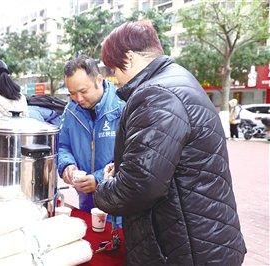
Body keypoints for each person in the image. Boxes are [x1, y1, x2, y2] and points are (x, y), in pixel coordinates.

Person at [93, 20, 246, 265]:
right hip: (204, 239)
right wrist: (124, 165)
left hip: (186, 248)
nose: (114, 78)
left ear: (129, 58)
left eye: (113, 69)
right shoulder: (178, 80)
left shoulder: (157, 94)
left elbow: (138, 186)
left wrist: (105, 186)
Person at [58, 55, 125, 212]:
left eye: (83, 91)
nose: (78, 99)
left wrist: (99, 179)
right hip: (86, 203)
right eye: (72, 93)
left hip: (118, 205)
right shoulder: (70, 110)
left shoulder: (122, 106)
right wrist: (67, 165)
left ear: (99, 80)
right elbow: (62, 145)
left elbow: (132, 157)